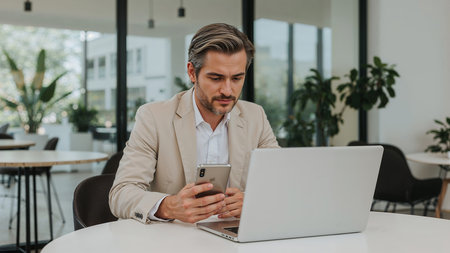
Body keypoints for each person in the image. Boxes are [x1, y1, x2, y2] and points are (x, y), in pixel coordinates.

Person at [109, 23, 279, 224]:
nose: (228, 90)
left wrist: (253, 201)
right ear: (192, 72)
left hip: (232, 238)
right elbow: (121, 194)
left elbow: (279, 184)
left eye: (237, 78)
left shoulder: (255, 116)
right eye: (216, 78)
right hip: (172, 240)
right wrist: (169, 206)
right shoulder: (154, 117)